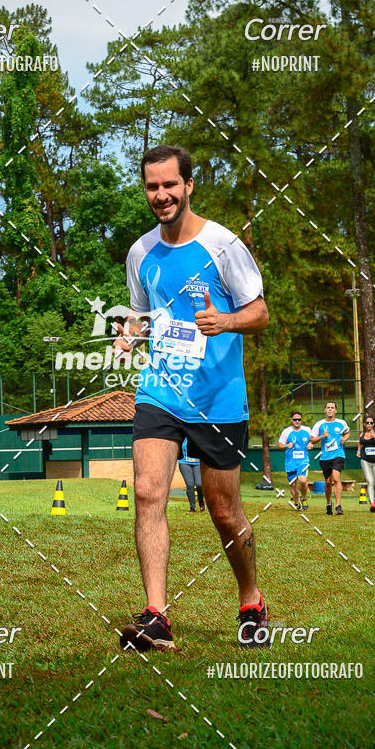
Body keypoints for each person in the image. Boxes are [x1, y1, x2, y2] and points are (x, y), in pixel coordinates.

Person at [114, 144, 269, 652]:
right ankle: (156, 617)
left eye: (169, 185)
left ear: (188, 186)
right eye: (152, 187)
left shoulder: (223, 246)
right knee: (147, 492)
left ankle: (251, 599)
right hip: (160, 391)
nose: (161, 195)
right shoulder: (140, 253)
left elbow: (260, 312)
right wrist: (129, 336)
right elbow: (141, 314)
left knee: (225, 511)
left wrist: (223, 321)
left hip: (218, 397)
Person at [310, 402, 350, 515]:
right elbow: (312, 440)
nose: (330, 410)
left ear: (336, 411)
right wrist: (321, 436)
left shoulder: (341, 423)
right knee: (328, 481)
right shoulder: (319, 424)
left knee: (336, 478)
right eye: (328, 408)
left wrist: (344, 439)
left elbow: (347, 433)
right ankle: (328, 504)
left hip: (338, 455)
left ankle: (338, 505)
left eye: (332, 408)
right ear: (325, 410)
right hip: (325, 457)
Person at [278, 411, 312, 510]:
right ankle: (297, 504)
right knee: (293, 485)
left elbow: (312, 440)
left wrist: (310, 444)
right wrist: (286, 445)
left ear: (301, 420)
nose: (297, 421)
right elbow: (280, 445)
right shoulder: (286, 431)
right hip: (290, 462)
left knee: (303, 480)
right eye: (295, 419)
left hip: (303, 461)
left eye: (299, 419)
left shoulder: (307, 430)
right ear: (291, 420)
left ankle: (304, 498)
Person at [356, 416, 375, 512]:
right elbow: (360, 443)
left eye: (371, 423)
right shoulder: (362, 435)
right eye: (367, 423)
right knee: (369, 481)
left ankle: (374, 499)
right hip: (365, 460)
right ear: (365, 424)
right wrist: (358, 451)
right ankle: (372, 502)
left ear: (374, 424)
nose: (369, 424)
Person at [178, 437, 205, 512]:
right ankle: (192, 507)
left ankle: (201, 502)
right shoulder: (182, 436)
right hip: (184, 462)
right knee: (190, 485)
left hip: (198, 463)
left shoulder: (198, 435)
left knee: (199, 484)